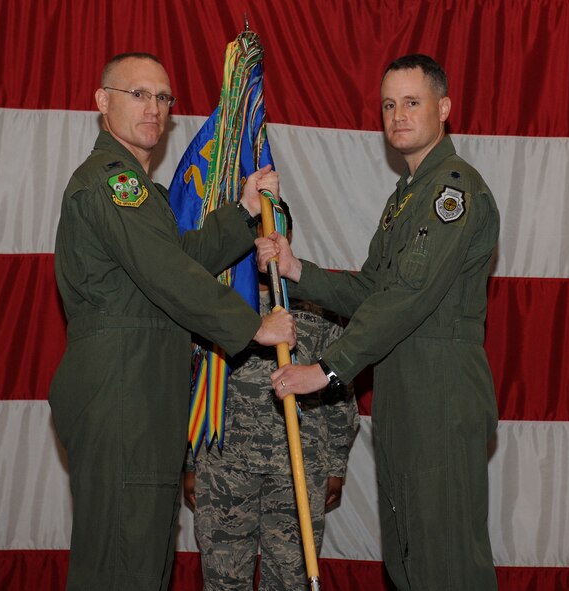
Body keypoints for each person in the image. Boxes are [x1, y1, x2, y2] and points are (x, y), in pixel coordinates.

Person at [48, 52, 296, 591]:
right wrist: (254, 327)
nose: (154, 108)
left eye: (163, 98)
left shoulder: (141, 192)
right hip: (122, 393)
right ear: (101, 101)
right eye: (138, 94)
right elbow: (167, 273)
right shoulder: (113, 183)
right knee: (122, 564)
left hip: (141, 394)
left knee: (144, 560)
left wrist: (245, 210)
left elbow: (179, 256)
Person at [256, 54, 500, 590]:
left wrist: (326, 370)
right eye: (389, 104)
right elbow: (371, 291)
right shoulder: (407, 197)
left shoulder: (450, 193)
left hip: (439, 399)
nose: (398, 115)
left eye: (412, 102)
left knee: (445, 567)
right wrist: (297, 270)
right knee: (410, 564)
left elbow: (408, 297)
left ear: (445, 108)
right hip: (408, 401)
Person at [182, 200, 359, 590]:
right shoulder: (215, 301)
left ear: (287, 236)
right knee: (224, 579)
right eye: (253, 230)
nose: (261, 239)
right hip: (224, 466)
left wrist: (335, 466)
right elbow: (193, 387)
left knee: (292, 580)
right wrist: (190, 462)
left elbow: (340, 391)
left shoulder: (317, 301)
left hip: (299, 467)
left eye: (272, 229)